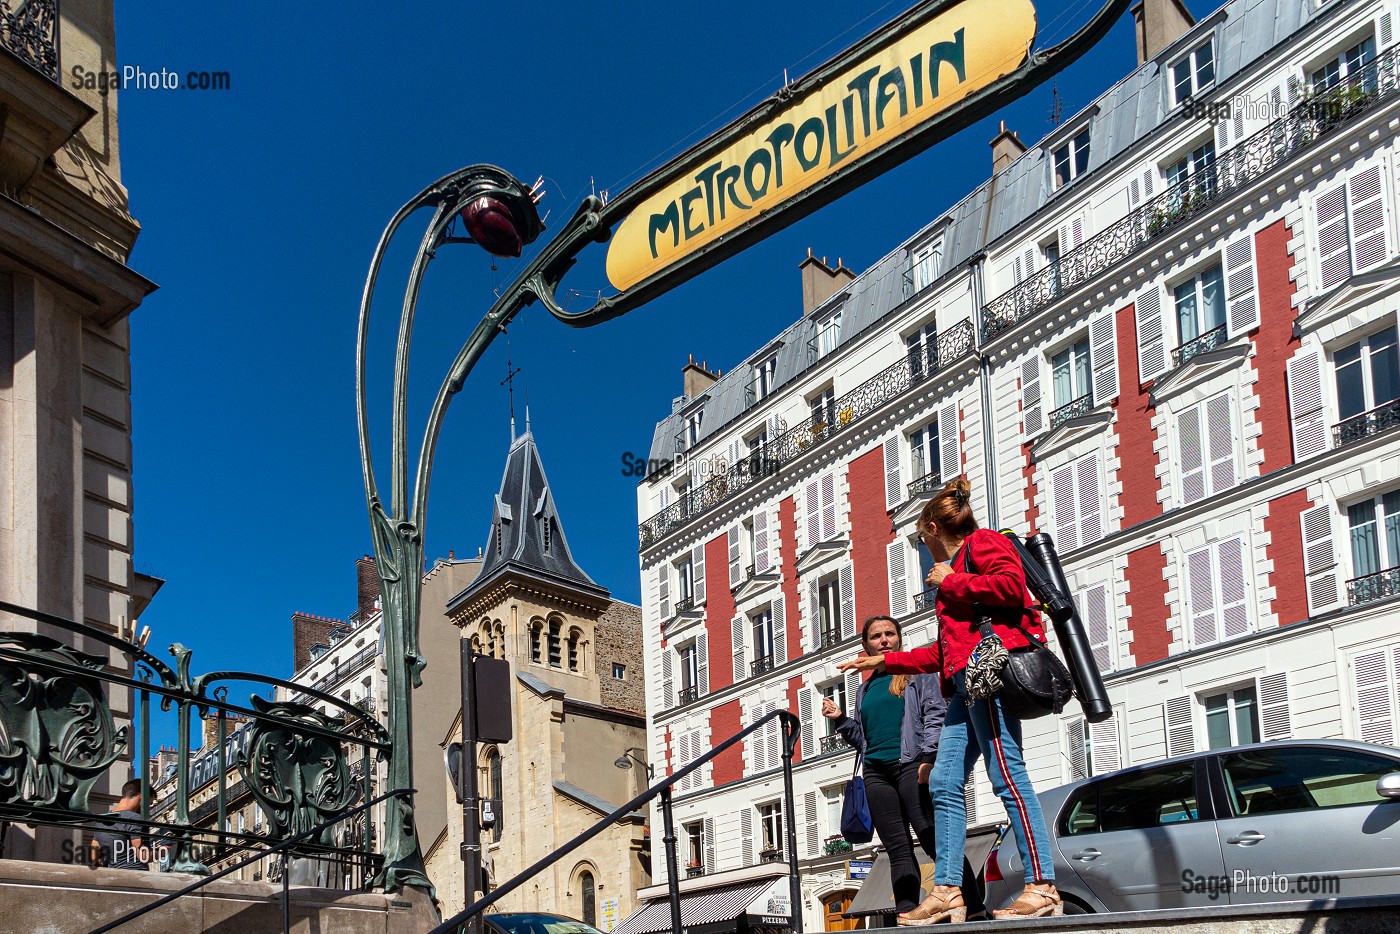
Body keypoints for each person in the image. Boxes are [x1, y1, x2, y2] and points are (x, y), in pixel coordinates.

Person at [840, 477, 1061, 922]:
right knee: (942, 782)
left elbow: (1013, 589)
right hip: (964, 684)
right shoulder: (959, 565)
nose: (926, 553)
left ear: (934, 530)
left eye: (923, 541)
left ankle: (1043, 886)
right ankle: (946, 892)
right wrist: (884, 664)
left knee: (1007, 776)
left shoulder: (982, 544)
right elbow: (945, 651)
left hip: (988, 677)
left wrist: (954, 580)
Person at [824, 615, 985, 923]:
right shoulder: (864, 689)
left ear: (898, 638)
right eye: (876, 636)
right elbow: (864, 739)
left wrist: (929, 757)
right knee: (896, 849)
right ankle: (907, 914)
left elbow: (935, 713)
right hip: (876, 772)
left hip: (912, 764)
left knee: (933, 839)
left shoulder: (916, 672)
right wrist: (841, 720)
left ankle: (974, 907)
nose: (884, 640)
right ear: (866, 645)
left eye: (889, 634)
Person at [90, 779, 149, 870]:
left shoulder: (101, 821)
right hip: (136, 875)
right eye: (149, 803)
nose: (148, 808)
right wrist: (163, 850)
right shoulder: (134, 818)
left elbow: (94, 856)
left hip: (113, 875)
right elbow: (143, 855)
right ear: (141, 797)